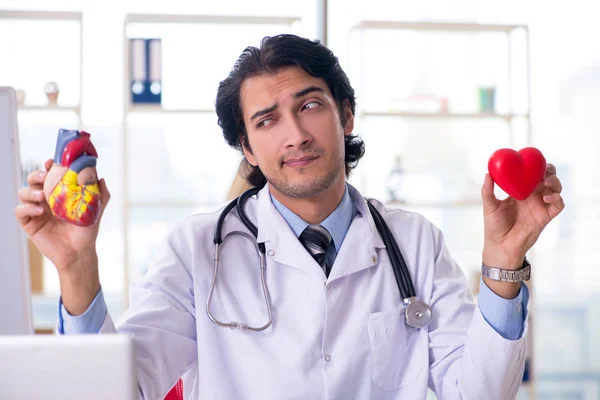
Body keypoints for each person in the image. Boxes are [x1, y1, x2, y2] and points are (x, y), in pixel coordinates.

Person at [16, 34, 565, 399]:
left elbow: (477, 393)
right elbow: (120, 391)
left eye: (309, 105)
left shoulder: (413, 243)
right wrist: (76, 268)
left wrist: (503, 260)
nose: (295, 135)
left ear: (345, 115)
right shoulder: (195, 250)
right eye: (266, 120)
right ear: (247, 150)